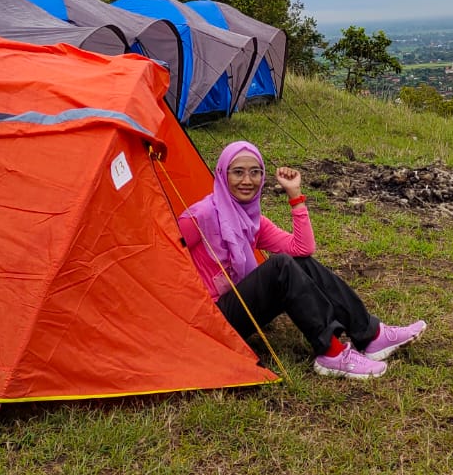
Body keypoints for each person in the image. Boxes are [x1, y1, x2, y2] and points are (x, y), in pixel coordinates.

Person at [177, 141, 426, 380]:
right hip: (209, 320)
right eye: (238, 172)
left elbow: (303, 248)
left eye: (255, 173)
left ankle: (371, 335)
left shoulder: (251, 220)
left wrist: (295, 194)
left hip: (238, 309)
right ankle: (331, 353)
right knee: (281, 266)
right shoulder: (200, 216)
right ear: (222, 174)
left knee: (300, 263)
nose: (247, 180)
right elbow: (167, 257)